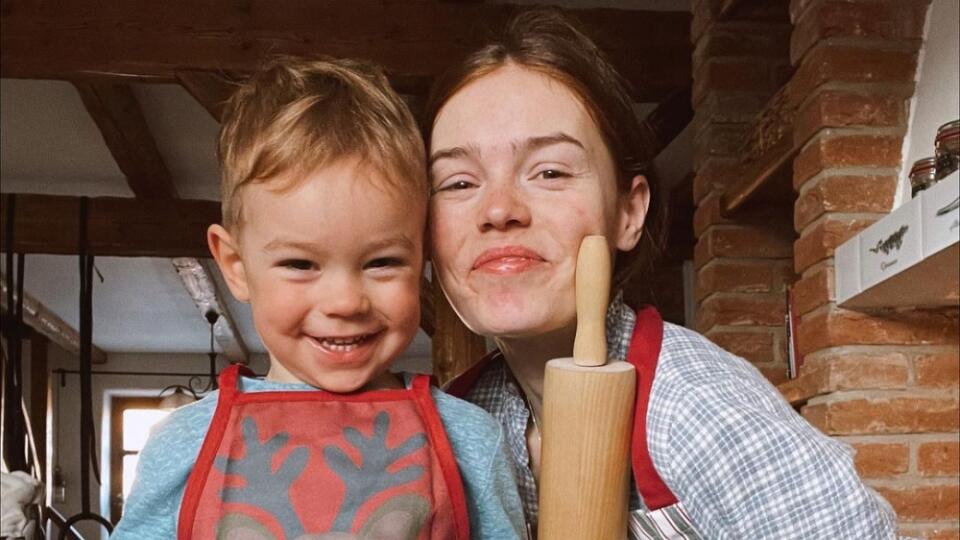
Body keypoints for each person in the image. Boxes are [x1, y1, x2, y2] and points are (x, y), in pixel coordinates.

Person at [426, 8, 904, 539]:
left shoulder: (701, 409)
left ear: (628, 214)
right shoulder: (467, 417)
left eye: (550, 171)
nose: (499, 209)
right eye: (457, 182)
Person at [111, 56, 524, 540]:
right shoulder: (182, 445)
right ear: (236, 267)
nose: (346, 301)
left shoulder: (470, 439)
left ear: (424, 255)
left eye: (382, 262)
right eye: (301, 265)